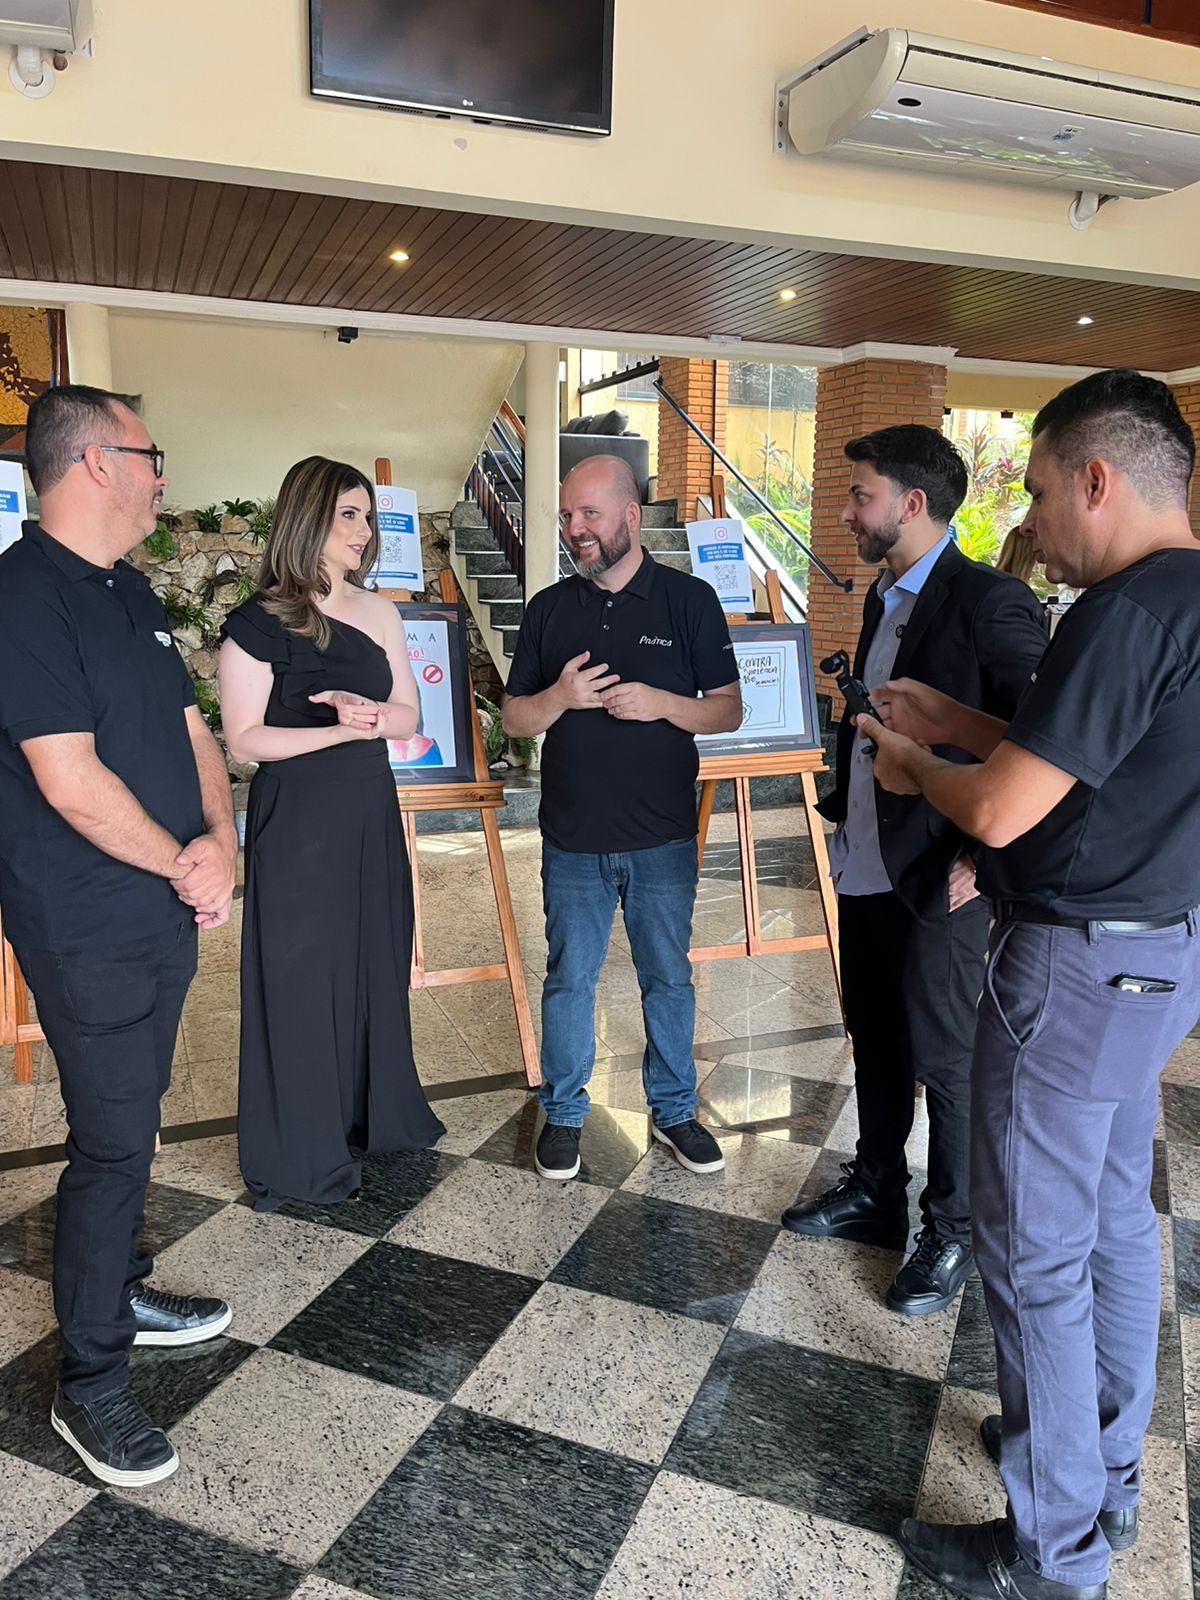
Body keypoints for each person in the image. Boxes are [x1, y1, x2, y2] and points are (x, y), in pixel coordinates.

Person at [861, 371, 1200, 1600]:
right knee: (1113, 1220)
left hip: (1068, 970)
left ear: (1100, 480)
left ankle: (1056, 1555)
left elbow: (1006, 811)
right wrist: (952, 715)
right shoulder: (1185, 599)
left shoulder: (1124, 611)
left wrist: (912, 764)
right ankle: (1099, 1476)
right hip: (1156, 952)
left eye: (1044, 488)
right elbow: (1087, 758)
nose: (1035, 517)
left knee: (1033, 1257)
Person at [0, 386, 236, 1488]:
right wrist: (181, 860)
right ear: (95, 462)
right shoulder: (20, 596)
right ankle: (90, 1381)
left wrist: (221, 839)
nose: (162, 476)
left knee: (134, 1115)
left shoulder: (131, 590)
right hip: (84, 917)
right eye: (151, 455)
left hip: (159, 904)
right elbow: (68, 778)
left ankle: (122, 1284)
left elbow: (191, 727)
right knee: (107, 1137)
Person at [782, 425, 1047, 1317]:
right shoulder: (881, 599)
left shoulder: (991, 602)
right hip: (868, 858)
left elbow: (1041, 749)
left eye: (860, 496)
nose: (848, 513)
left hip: (944, 873)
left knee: (945, 1052)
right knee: (877, 1032)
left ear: (912, 503)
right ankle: (877, 1188)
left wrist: (984, 851)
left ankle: (955, 1227)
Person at [502, 455, 741, 1181]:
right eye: (568, 515)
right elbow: (514, 719)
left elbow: (728, 709)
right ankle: (565, 1114)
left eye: (590, 515)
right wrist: (561, 698)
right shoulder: (548, 609)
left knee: (668, 977)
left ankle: (672, 1110)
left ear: (631, 517)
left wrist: (664, 703)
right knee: (569, 979)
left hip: (664, 837)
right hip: (572, 836)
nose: (574, 528)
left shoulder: (688, 602)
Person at [219, 455, 444, 1212]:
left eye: (368, 516)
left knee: (372, 961)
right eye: (349, 514)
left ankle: (369, 1117)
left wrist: (375, 718)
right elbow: (244, 739)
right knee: (303, 979)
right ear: (309, 517)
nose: (364, 531)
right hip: (301, 821)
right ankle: (299, 1150)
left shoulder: (380, 611)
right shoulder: (260, 620)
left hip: (368, 813)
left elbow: (410, 716)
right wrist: (340, 732)